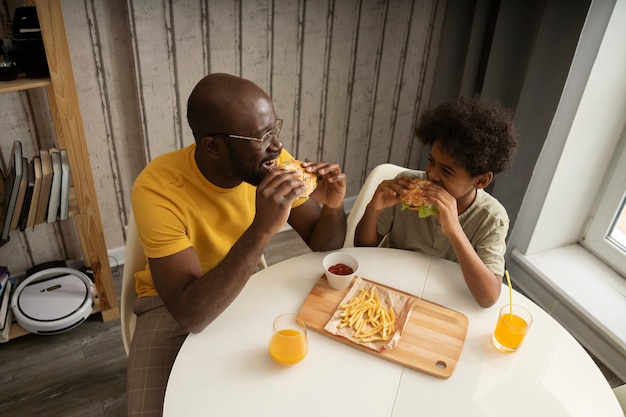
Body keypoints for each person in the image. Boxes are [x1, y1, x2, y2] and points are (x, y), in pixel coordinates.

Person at [127, 73, 347, 416]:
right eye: (262, 137)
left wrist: (333, 206)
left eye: (275, 129)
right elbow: (191, 313)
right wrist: (261, 229)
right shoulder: (158, 188)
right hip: (170, 302)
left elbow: (325, 247)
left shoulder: (271, 161)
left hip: (249, 285)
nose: (277, 146)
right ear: (213, 146)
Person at [354, 95, 517, 308]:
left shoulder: (492, 218)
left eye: (447, 171)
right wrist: (373, 209)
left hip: (447, 301)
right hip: (389, 286)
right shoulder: (403, 186)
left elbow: (488, 297)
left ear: (481, 180)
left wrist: (454, 230)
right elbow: (363, 248)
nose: (431, 174)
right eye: (431, 161)